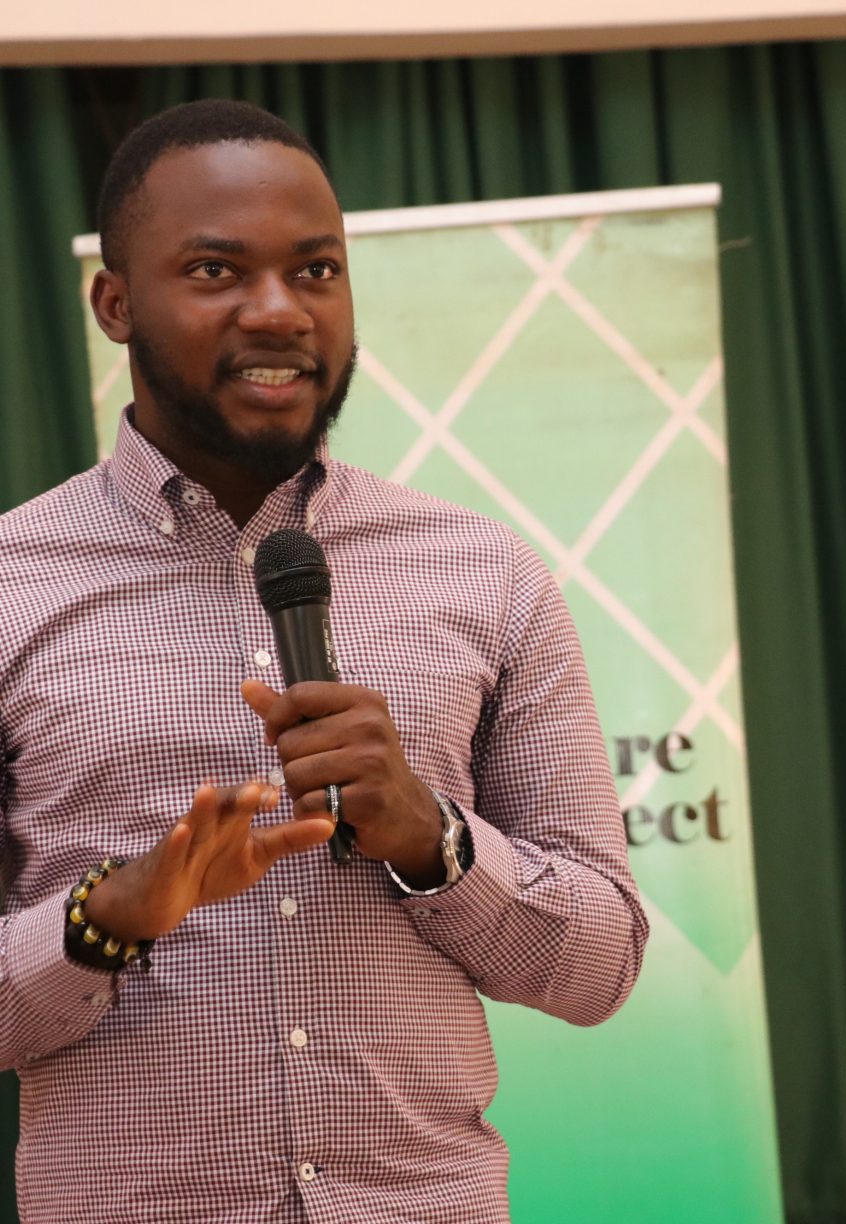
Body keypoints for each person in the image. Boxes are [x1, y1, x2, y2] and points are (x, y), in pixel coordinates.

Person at [0, 99, 648, 1223]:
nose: (279, 311)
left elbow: (600, 968)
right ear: (115, 304)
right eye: (215, 271)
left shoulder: (486, 573)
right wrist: (111, 916)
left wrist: (434, 842)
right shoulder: (14, 585)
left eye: (316, 271)